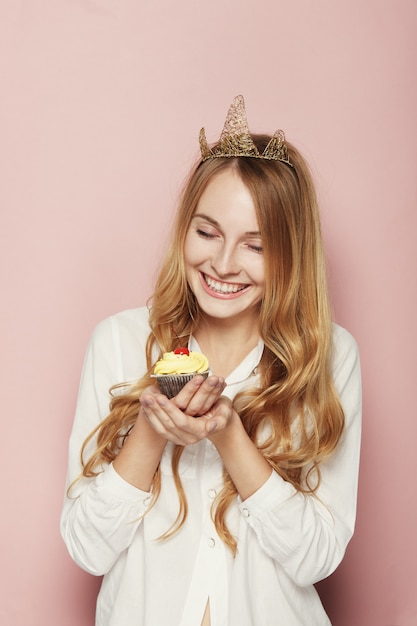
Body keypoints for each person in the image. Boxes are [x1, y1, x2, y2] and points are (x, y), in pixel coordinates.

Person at [60, 95, 361, 626]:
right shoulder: (121, 341)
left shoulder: (330, 357)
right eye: (207, 232)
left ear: (292, 251)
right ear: (185, 229)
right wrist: (152, 431)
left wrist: (229, 435)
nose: (222, 263)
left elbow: (316, 557)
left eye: (257, 246)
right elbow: (88, 549)